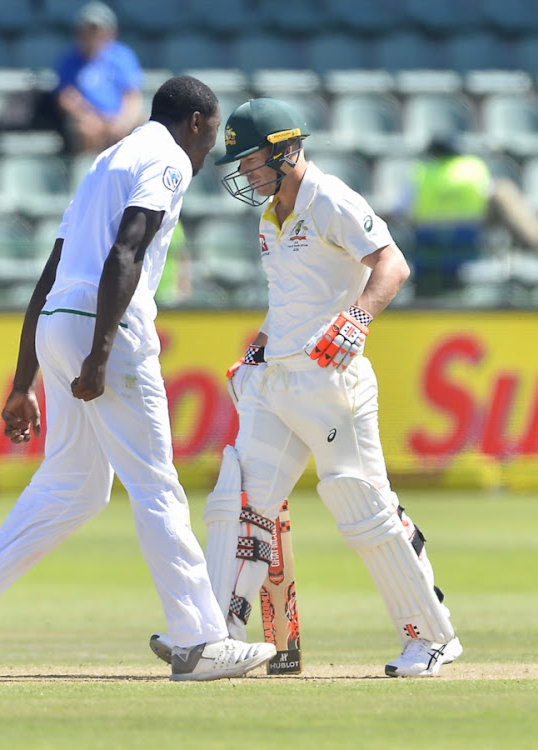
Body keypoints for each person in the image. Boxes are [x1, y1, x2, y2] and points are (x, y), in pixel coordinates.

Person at [0, 77, 275, 683]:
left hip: (60, 318)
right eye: (211, 134)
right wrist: (101, 353)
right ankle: (198, 640)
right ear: (194, 122)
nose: (209, 148)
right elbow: (127, 252)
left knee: (76, 484)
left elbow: (52, 271)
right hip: (103, 326)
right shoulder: (166, 159)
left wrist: (23, 380)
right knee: (156, 482)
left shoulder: (108, 160)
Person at [151, 98, 463, 678]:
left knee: (359, 502)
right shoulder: (270, 215)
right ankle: (215, 637)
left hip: (331, 378)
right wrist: (255, 352)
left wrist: (359, 317)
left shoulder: (331, 199)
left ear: (285, 150)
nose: (245, 173)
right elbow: (286, 303)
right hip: (278, 380)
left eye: (251, 161)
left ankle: (430, 637)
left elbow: (392, 265)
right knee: (242, 499)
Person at [395, 134, 538, 296]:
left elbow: (403, 212)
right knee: (503, 191)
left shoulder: (418, 173)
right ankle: (533, 242)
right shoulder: (473, 169)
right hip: (471, 240)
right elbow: (487, 197)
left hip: (428, 244)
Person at [52, 1, 145, 154]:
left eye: (97, 31)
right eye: (87, 31)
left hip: (119, 117)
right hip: (89, 118)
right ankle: (90, 173)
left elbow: (132, 95)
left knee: (149, 127)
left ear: (110, 33)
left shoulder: (122, 56)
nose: (92, 36)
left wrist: (122, 121)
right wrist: (93, 118)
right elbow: (66, 98)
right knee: (86, 129)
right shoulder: (69, 61)